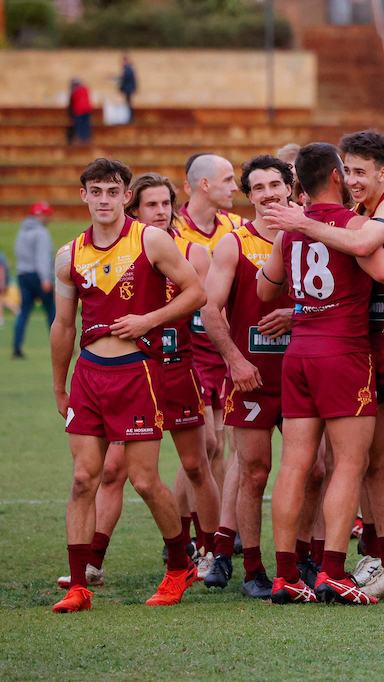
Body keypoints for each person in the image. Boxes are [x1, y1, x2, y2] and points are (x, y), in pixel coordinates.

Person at [256, 142, 384, 604]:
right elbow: (382, 268)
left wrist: (300, 232)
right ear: (338, 176)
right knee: (358, 464)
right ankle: (345, 571)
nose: (356, 179)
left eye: (364, 171)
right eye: (351, 171)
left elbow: (265, 288)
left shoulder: (371, 215)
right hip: (346, 351)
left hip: (363, 346)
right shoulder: (354, 219)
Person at [50, 158, 206, 612]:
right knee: (83, 478)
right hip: (89, 377)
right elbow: (63, 326)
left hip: (139, 373)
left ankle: (180, 566)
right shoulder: (69, 254)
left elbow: (196, 291)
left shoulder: (150, 239)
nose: (103, 200)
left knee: (142, 479)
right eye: (94, 191)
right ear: (84, 196)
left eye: (112, 191)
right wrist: (59, 386)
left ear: (125, 197)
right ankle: (79, 585)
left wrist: (149, 320)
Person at [200, 156, 295, 599]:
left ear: (290, 187)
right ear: (249, 195)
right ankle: (253, 569)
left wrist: (297, 315)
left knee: (314, 470)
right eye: (258, 188)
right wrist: (235, 360)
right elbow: (209, 309)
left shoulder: (313, 237)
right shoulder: (233, 244)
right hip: (252, 379)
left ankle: (304, 560)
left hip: (304, 375)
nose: (269, 193)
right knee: (254, 472)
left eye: (276, 184)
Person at [174, 154, 238, 495]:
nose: (234, 187)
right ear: (204, 184)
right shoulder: (174, 229)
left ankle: (218, 531)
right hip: (190, 353)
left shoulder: (236, 227)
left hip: (223, 349)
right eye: (228, 179)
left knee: (219, 444)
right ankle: (187, 536)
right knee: (204, 446)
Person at [13, 202, 56, 359]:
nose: (48, 218)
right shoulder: (41, 233)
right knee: (52, 313)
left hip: (23, 275)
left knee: (23, 312)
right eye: (46, 215)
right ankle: (60, 346)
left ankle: (16, 348)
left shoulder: (22, 231)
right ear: (39, 216)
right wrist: (45, 278)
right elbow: (42, 257)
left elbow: (18, 253)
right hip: (39, 276)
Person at [66, 78, 92, 145]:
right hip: (87, 110)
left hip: (79, 111)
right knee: (86, 126)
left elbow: (71, 102)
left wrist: (70, 114)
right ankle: (86, 140)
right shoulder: (84, 89)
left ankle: (82, 140)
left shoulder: (74, 91)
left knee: (80, 127)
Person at [118, 55, 137, 123]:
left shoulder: (128, 69)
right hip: (128, 89)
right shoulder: (129, 69)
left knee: (128, 104)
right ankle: (129, 118)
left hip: (128, 89)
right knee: (128, 103)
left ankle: (130, 118)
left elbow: (124, 79)